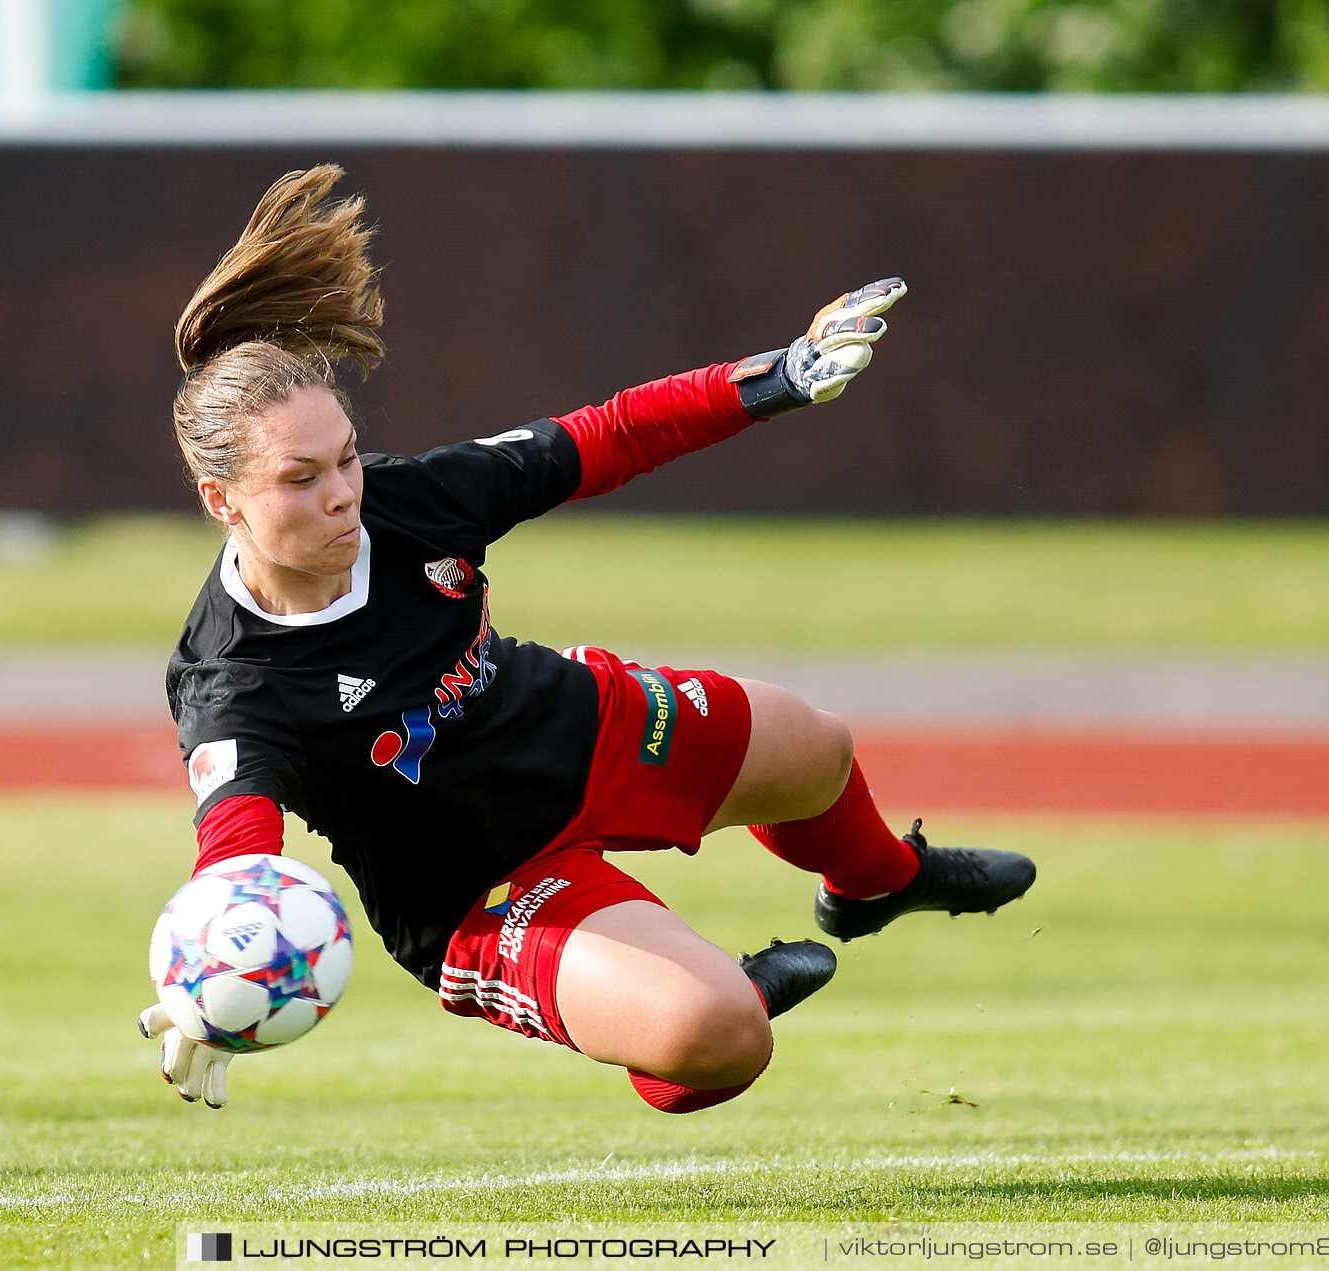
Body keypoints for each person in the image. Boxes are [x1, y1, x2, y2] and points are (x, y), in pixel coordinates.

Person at [137, 165, 1036, 1114]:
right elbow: (237, 848)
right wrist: (210, 979)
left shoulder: (412, 503)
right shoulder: (233, 682)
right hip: (481, 888)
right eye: (300, 477)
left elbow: (607, 435)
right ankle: (695, 1009)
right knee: (723, 1038)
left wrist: (783, 374)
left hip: (580, 726)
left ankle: (878, 883)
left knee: (818, 748)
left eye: (348, 455)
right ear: (222, 500)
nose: (342, 491)